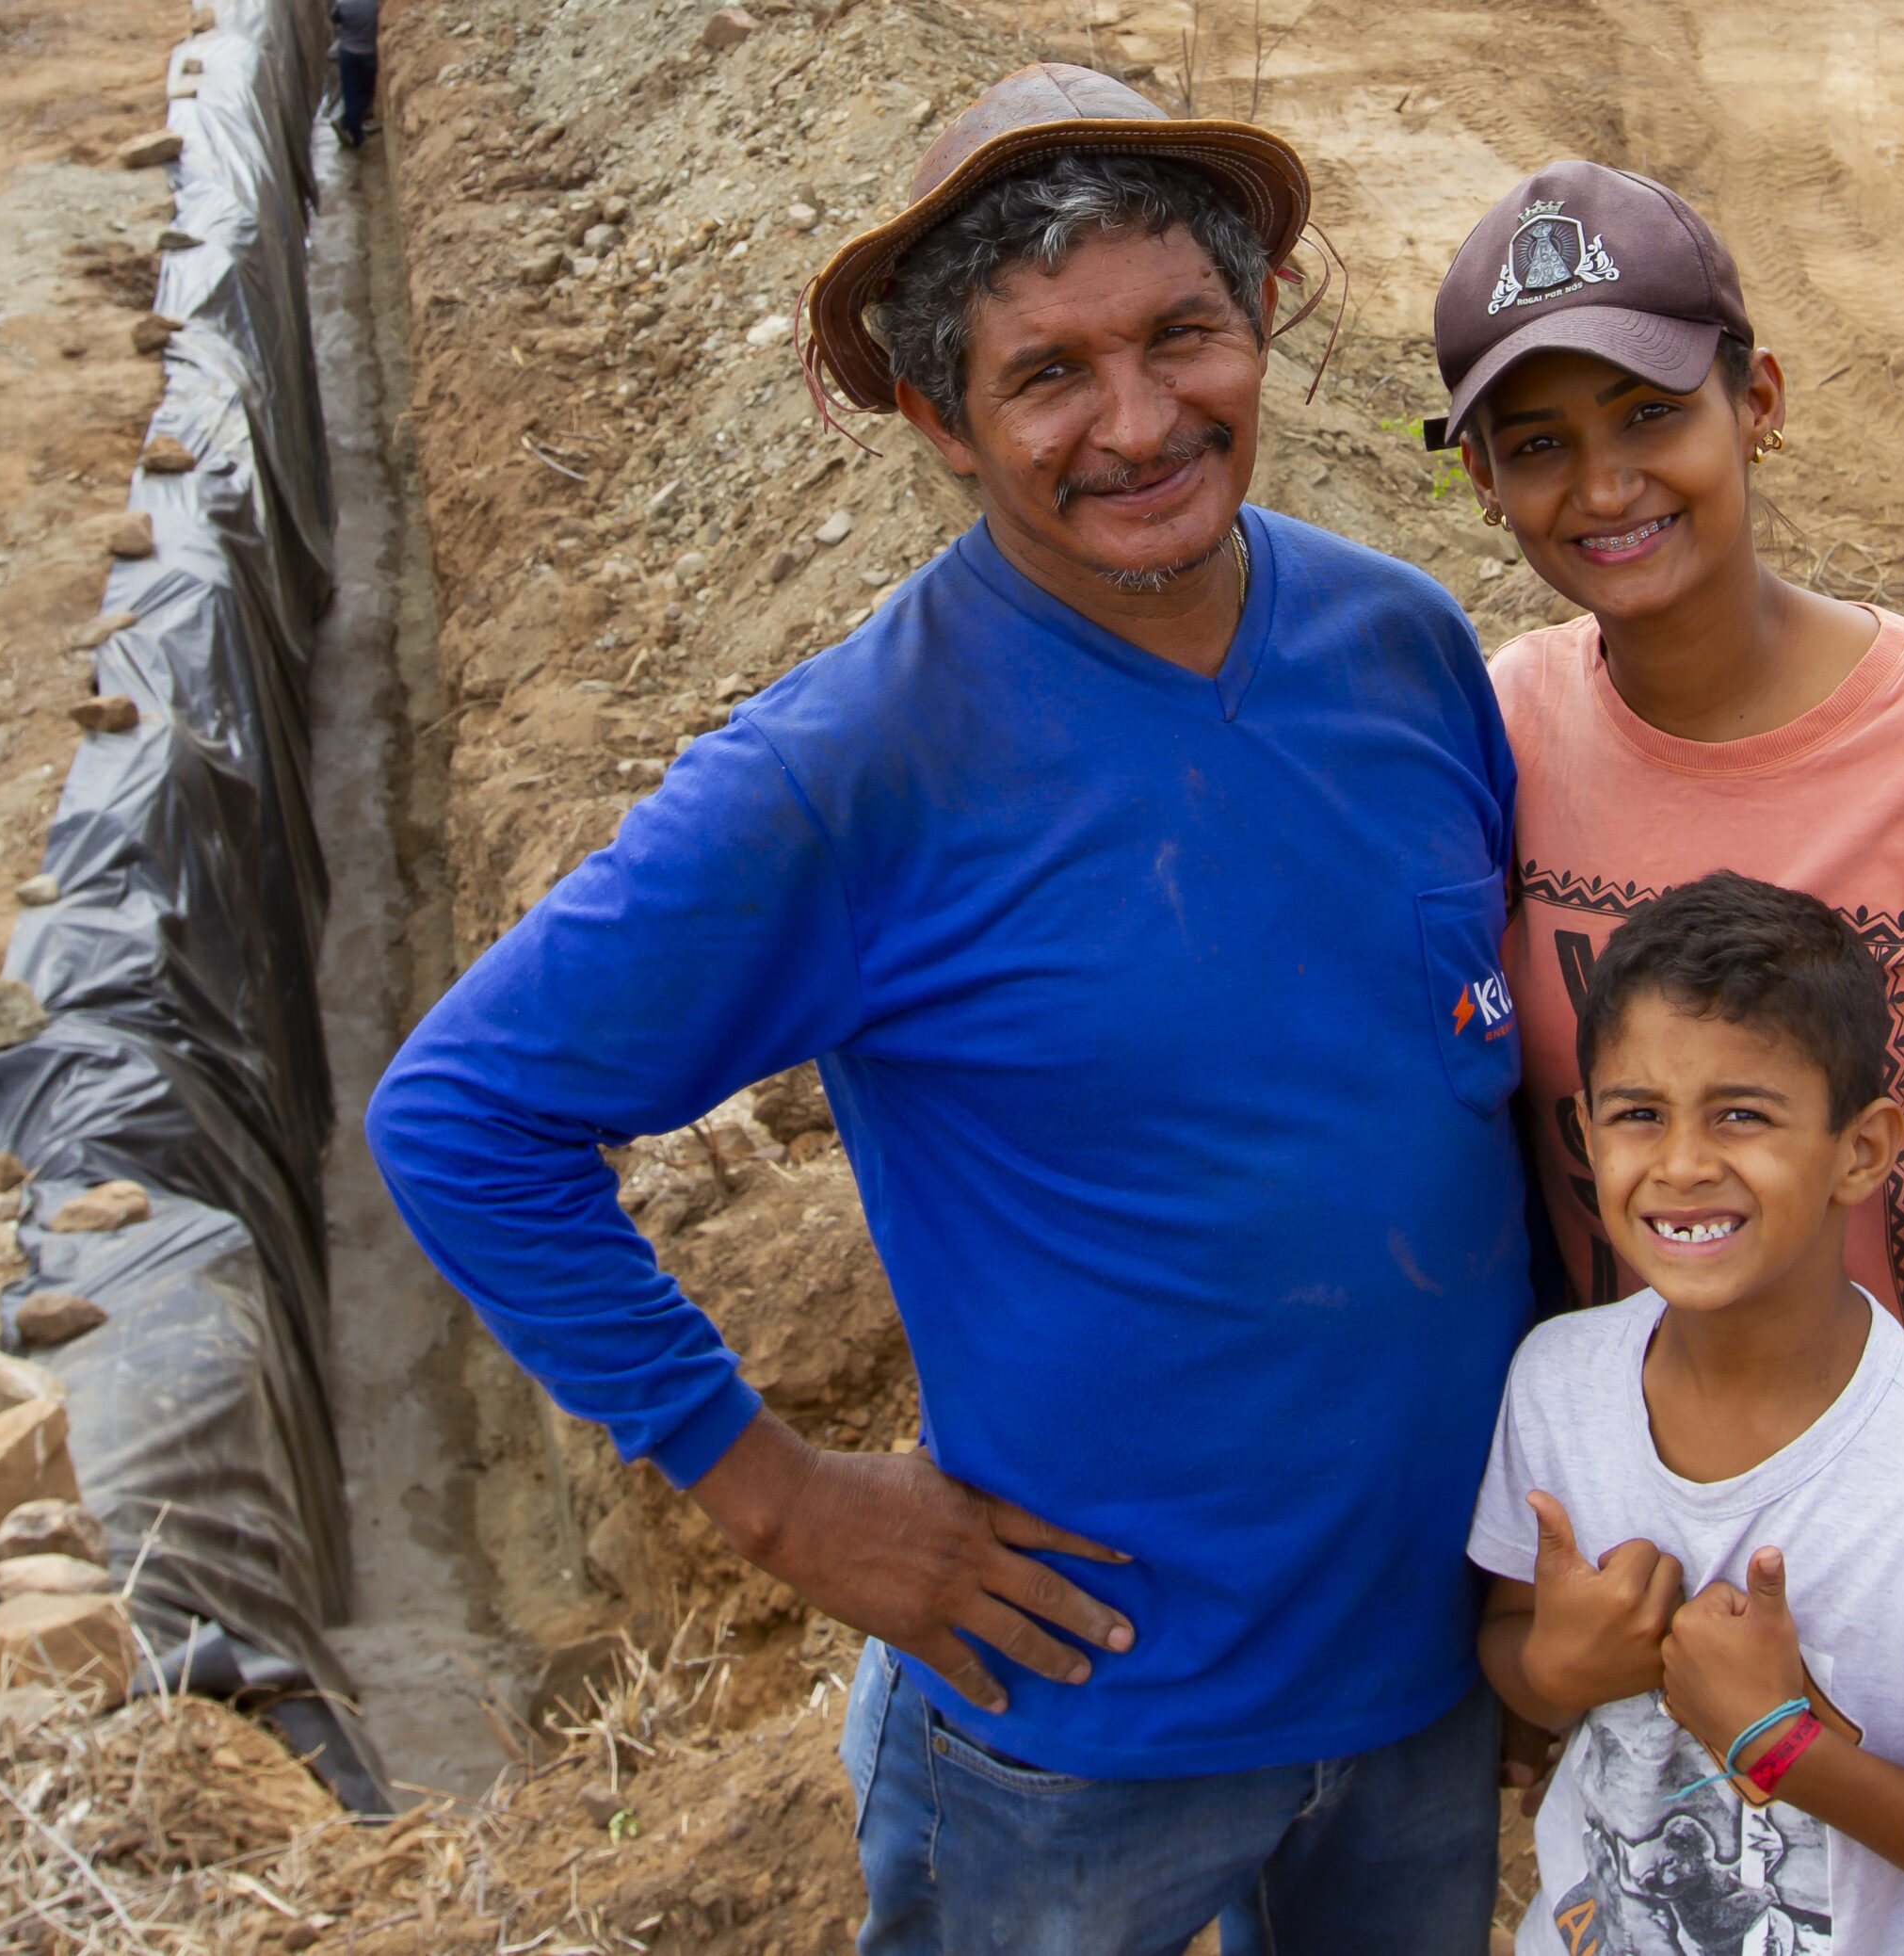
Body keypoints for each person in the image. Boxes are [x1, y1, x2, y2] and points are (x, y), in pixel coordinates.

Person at [368, 66, 1531, 1955]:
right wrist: (776, 1500)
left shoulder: (1397, 643)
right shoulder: (857, 767)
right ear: (937, 416)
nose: (1140, 422)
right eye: (1048, 373)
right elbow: (459, 1120)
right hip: (1082, 1732)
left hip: (1427, 1676)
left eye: (1181, 336)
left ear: (1264, 329)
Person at [1429, 161, 1904, 1657]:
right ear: (1485, 484)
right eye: (1540, 444)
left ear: (1757, 401)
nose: (1602, 487)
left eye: (1652, 414)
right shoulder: (1494, 733)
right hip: (1623, 1544)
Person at [1470, 872, 1904, 1954]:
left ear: (1861, 1150)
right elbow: (1508, 1636)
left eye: (1742, 1115)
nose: (1680, 1163)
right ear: (1585, 1131)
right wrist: (1553, 1671)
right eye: (1639, 1114)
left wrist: (1779, 1747)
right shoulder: (1555, 1384)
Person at [329, 0, 379, 149]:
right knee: (366, 91)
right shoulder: (373, 3)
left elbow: (334, 18)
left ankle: (356, 134)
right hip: (367, 54)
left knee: (350, 94)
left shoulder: (343, 3)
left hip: (347, 54)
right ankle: (348, 121)